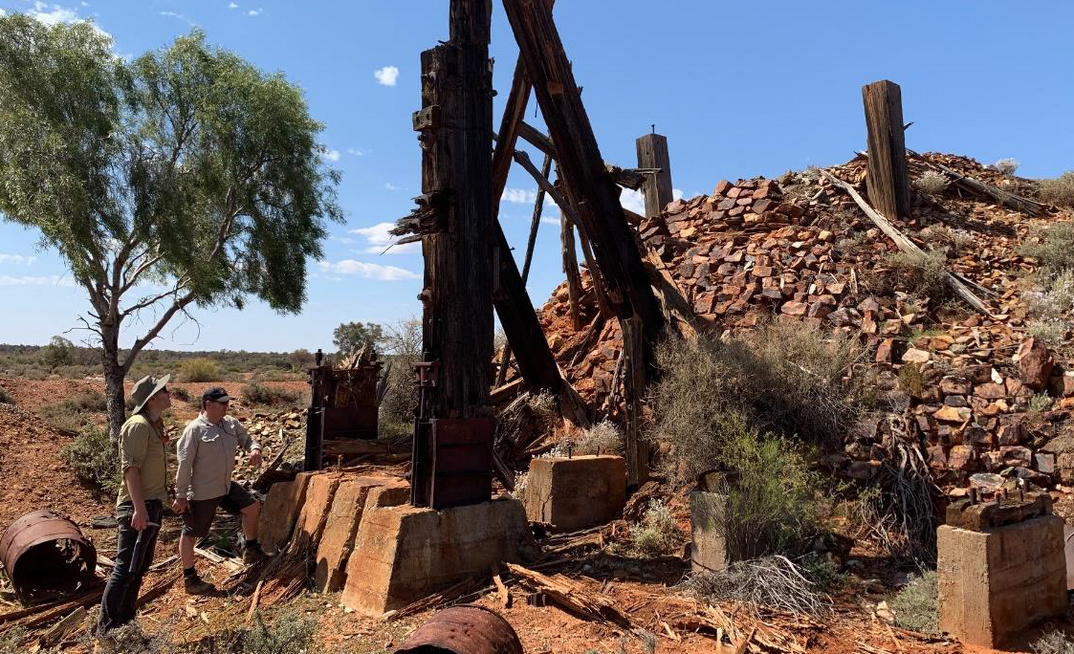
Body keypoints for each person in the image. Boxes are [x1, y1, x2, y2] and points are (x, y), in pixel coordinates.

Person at [96, 375, 172, 647]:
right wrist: (139, 510)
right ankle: (106, 633)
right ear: (152, 398)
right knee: (124, 570)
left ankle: (126, 627)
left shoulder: (154, 424)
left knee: (138, 569)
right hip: (137, 507)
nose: (169, 393)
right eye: (164, 390)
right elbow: (131, 470)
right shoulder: (137, 426)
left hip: (152, 504)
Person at [173, 386, 264, 594]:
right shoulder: (194, 430)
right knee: (191, 533)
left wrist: (255, 448)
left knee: (252, 507)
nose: (226, 406)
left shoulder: (230, 424)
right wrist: (181, 495)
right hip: (202, 491)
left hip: (224, 485)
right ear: (208, 405)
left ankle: (251, 549)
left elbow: (247, 439)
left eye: (227, 402)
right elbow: (184, 465)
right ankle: (190, 579)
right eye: (222, 403)